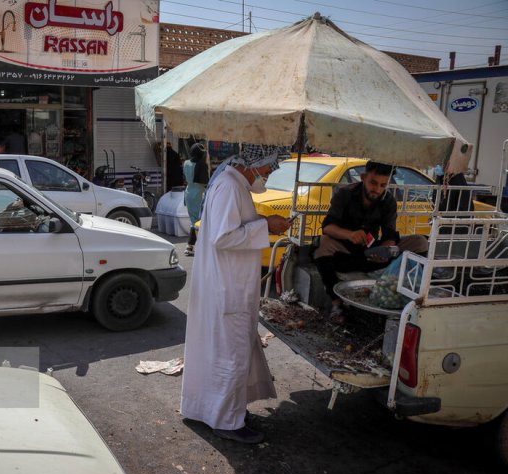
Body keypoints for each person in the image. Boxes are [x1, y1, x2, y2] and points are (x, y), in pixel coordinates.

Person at [181, 143, 292, 444]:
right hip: (228, 289)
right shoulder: (230, 186)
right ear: (253, 164)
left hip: (227, 285)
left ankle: (219, 411)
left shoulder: (233, 183)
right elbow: (224, 237)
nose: (267, 175)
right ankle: (227, 421)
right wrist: (266, 225)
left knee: (222, 353)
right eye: (268, 169)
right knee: (230, 354)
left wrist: (262, 224)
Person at [313, 160, 429, 324]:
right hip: (345, 253)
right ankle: (337, 306)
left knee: (420, 242)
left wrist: (386, 248)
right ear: (363, 177)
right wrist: (350, 234)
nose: (377, 189)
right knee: (322, 243)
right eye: (373, 183)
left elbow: (390, 234)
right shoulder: (345, 194)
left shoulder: (388, 201)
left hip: (372, 255)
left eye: (383, 185)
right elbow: (327, 227)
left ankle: (408, 298)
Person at [183, 143, 210, 256]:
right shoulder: (201, 165)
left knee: (194, 221)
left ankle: (190, 246)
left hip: (188, 193)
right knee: (200, 222)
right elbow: (204, 182)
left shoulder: (186, 163)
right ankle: (195, 247)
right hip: (199, 194)